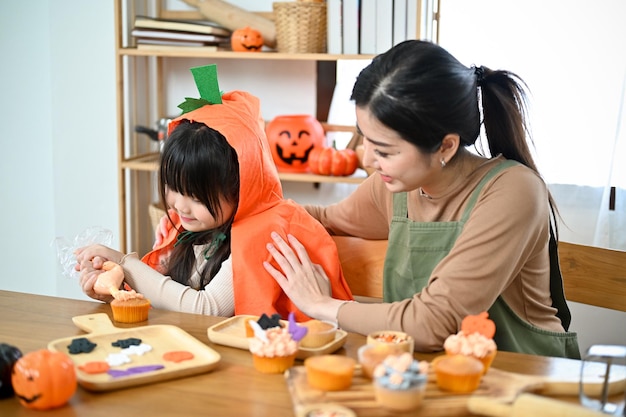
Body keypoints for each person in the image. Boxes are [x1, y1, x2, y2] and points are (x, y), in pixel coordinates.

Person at [263, 40, 580, 358]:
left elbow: (432, 323)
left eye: (384, 150)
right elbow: (325, 219)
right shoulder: (395, 187)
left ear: (446, 146)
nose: (368, 159)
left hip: (523, 378)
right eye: (365, 139)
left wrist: (322, 306)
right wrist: (242, 207)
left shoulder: (513, 192)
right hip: (427, 372)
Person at [75, 67, 353, 321]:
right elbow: (159, 293)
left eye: (196, 197)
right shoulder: (183, 227)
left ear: (242, 186)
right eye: (174, 188)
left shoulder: (264, 234)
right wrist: (113, 283)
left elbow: (207, 309)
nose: (180, 206)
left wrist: (126, 263)